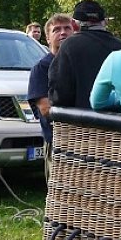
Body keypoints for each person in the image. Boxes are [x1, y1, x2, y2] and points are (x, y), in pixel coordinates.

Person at [49, 0, 121, 109]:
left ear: (74, 25)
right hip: (117, 117)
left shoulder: (70, 45)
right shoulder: (120, 46)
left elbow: (59, 95)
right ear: (104, 22)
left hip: (82, 117)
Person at [27, 13, 74, 181]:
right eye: (56, 30)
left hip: (84, 141)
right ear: (47, 38)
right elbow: (45, 109)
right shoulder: (41, 68)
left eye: (67, 28)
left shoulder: (79, 64)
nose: (63, 32)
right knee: (58, 189)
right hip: (57, 141)